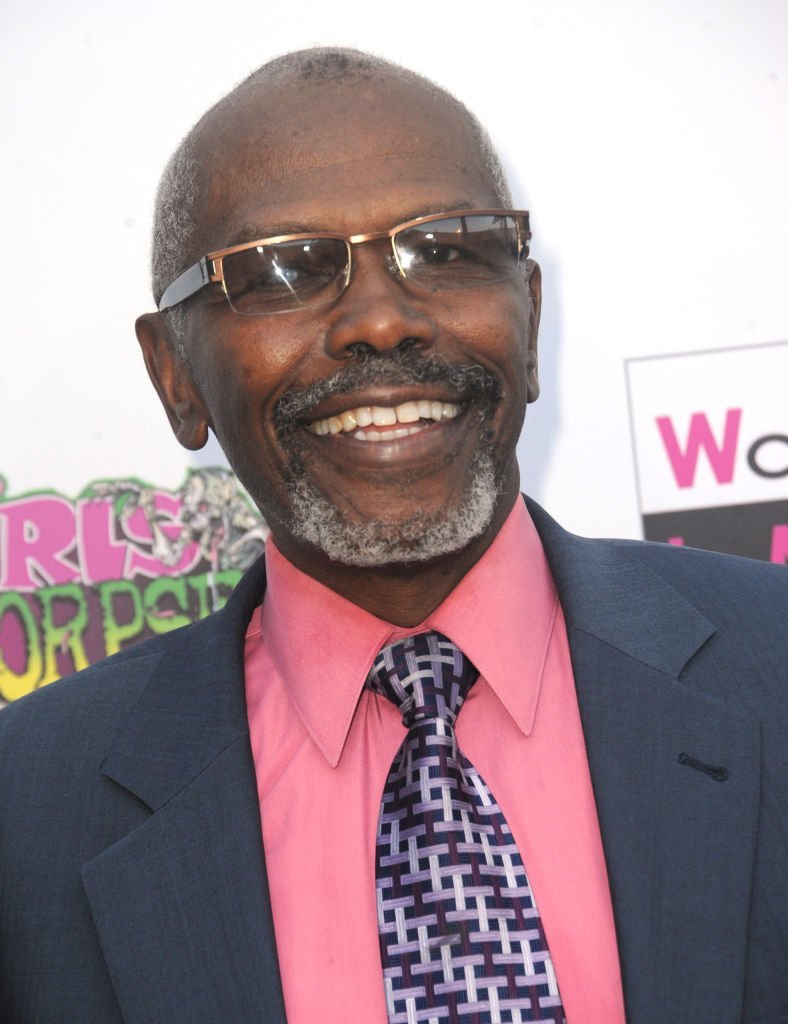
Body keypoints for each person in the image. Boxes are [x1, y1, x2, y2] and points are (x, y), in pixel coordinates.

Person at [1, 48, 785, 1024]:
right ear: (175, 376)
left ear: (529, 316)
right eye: (281, 268)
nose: (379, 318)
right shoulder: (25, 812)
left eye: (448, 247)